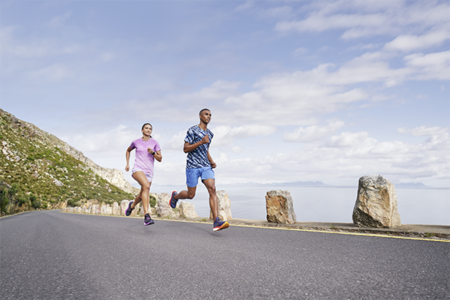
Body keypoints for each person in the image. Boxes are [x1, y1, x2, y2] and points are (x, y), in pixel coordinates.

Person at [169, 109, 229, 232]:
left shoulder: (210, 134)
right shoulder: (192, 130)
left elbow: (205, 150)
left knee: (212, 189)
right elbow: (185, 148)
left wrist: (211, 161)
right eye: (206, 114)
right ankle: (175, 196)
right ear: (200, 116)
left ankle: (216, 221)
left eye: (210, 115)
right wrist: (201, 141)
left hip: (206, 165)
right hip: (192, 166)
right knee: (191, 195)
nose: (209, 117)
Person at [125, 123, 162, 225]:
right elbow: (128, 151)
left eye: (150, 129)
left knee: (142, 194)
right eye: (146, 128)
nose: (148, 130)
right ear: (142, 130)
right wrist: (127, 163)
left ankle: (132, 206)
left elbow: (160, 159)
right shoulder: (136, 142)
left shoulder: (155, 143)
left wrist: (153, 153)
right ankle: (147, 216)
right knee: (146, 186)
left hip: (149, 172)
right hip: (138, 169)